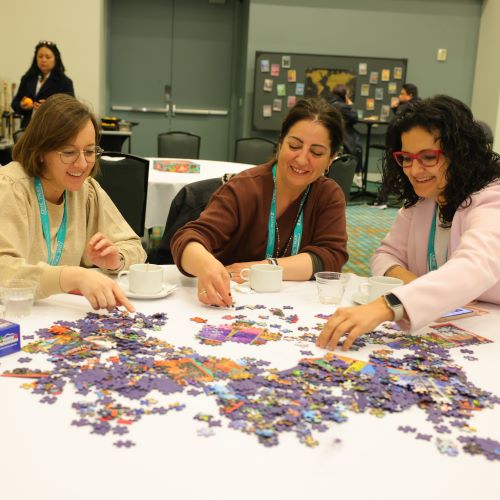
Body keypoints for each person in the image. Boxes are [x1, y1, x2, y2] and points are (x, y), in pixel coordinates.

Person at [317, 95, 500, 351]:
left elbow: (475, 266)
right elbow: (384, 255)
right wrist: (419, 287)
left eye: (428, 157)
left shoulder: (492, 198)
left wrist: (389, 305)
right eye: (406, 158)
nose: (414, 170)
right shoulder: (423, 200)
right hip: (448, 327)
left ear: (460, 153)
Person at [170, 97, 349, 307]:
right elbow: (187, 239)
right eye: (294, 145)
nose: (301, 159)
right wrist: (205, 264)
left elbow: (331, 258)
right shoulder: (245, 188)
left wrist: (262, 268)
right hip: (230, 305)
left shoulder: (328, 195)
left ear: (330, 159)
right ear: (280, 143)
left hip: (290, 309)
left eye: (316, 152)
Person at [0, 94, 147, 312]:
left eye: (89, 151)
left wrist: (115, 259)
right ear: (40, 152)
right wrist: (73, 276)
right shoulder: (11, 187)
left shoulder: (86, 191)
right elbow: (4, 271)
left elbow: (135, 248)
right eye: (68, 152)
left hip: (59, 315)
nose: (82, 163)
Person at [11, 40, 75, 128]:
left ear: (55, 59)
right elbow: (14, 103)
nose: (43, 60)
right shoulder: (28, 78)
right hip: (28, 128)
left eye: (48, 57)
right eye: (40, 56)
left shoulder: (64, 82)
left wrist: (50, 107)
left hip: (51, 130)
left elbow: (71, 110)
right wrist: (22, 106)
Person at [329, 84, 363, 187]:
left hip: (335, 139)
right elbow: (355, 117)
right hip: (346, 140)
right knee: (358, 149)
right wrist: (349, 104)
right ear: (343, 94)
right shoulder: (341, 106)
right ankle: (358, 174)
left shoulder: (331, 104)